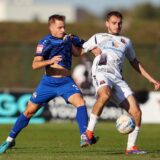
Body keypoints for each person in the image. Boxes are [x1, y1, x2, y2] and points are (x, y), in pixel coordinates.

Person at [0, 14, 96, 154]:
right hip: (48, 83)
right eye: (59, 27)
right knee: (28, 112)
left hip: (66, 82)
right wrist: (49, 61)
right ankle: (9, 139)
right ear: (51, 27)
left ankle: (84, 136)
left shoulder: (68, 39)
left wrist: (91, 48)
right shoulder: (45, 42)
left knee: (80, 103)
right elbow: (35, 64)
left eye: (64, 26)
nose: (63, 29)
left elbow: (79, 51)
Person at [80, 11, 160, 154]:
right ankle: (88, 133)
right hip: (101, 73)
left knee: (136, 112)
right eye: (114, 23)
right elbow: (79, 49)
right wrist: (91, 48)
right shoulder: (98, 37)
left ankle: (131, 148)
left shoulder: (126, 42)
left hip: (117, 79)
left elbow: (135, 62)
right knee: (104, 95)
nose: (117, 26)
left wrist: (151, 79)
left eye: (119, 23)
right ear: (107, 23)